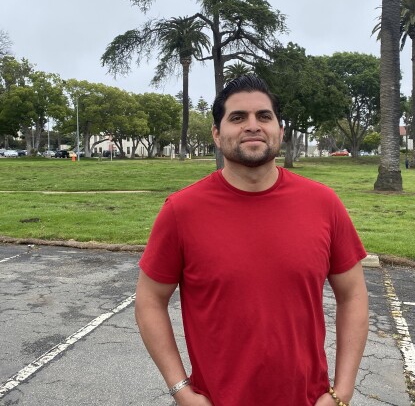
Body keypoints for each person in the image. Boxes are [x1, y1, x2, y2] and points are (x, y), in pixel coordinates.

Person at [135, 75, 369, 406]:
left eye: (263, 116)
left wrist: (342, 393)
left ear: (280, 130)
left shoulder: (323, 204)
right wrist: (181, 391)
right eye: (237, 117)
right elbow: (149, 301)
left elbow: (354, 295)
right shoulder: (181, 211)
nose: (252, 125)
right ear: (217, 134)